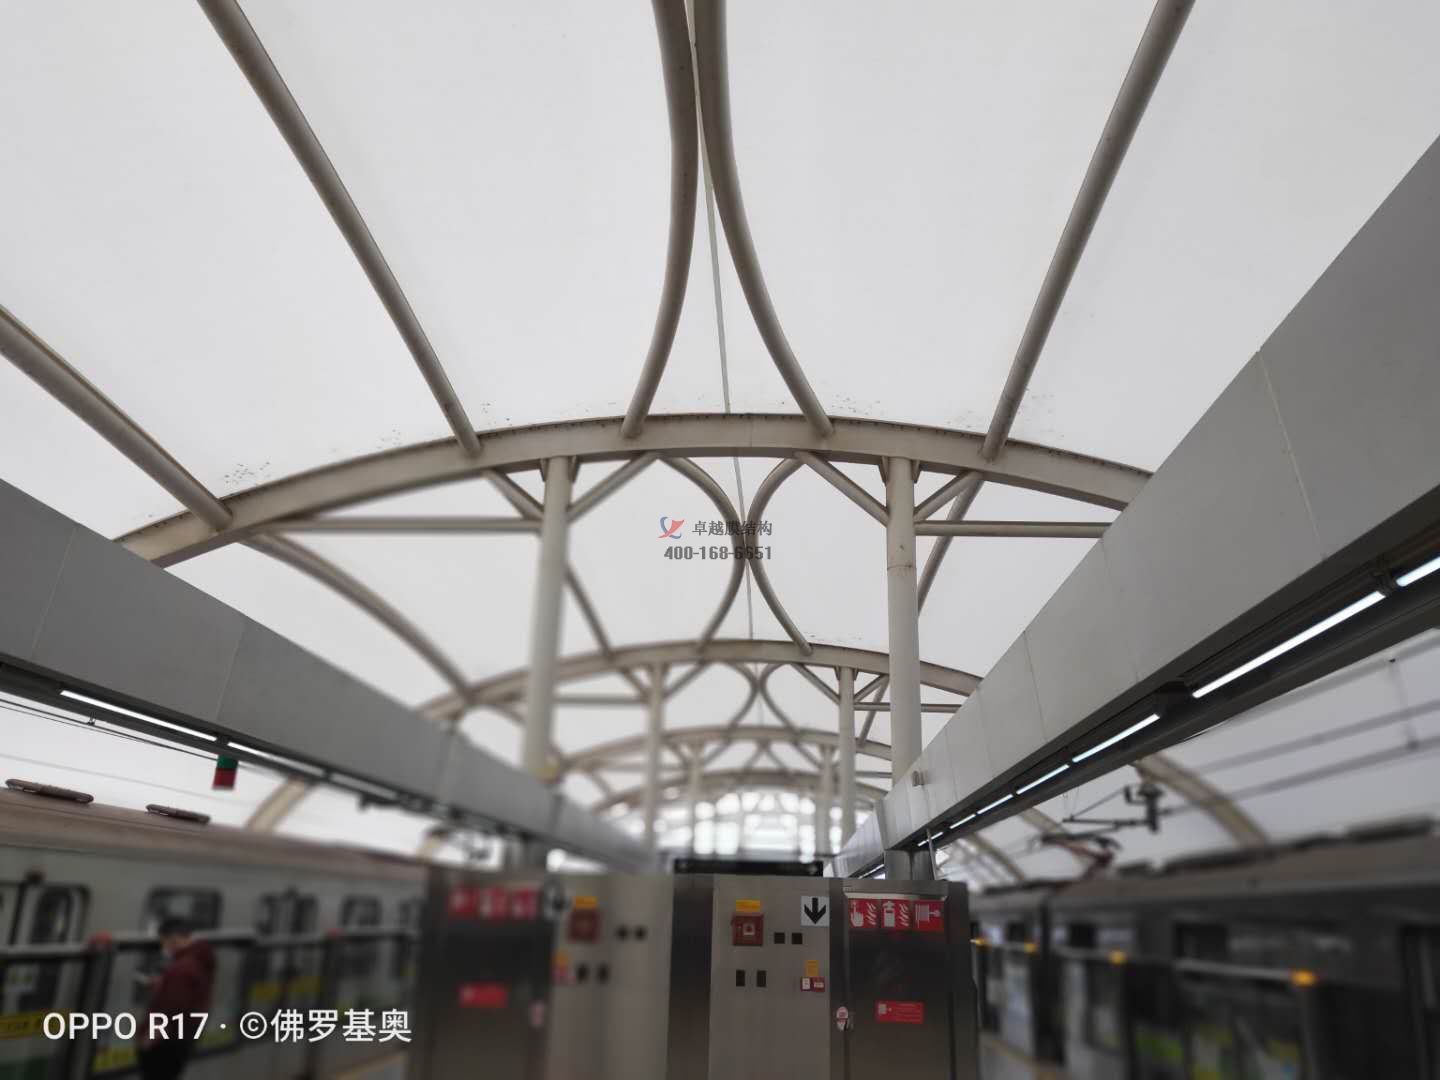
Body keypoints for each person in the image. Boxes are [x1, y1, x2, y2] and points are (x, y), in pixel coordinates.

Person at [137, 917, 216, 1080]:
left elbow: (173, 1008)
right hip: (183, 1039)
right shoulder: (199, 961)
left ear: (173, 938)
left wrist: (150, 1037)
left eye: (164, 943)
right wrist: (164, 984)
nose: (165, 948)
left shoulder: (182, 968)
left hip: (166, 1044)